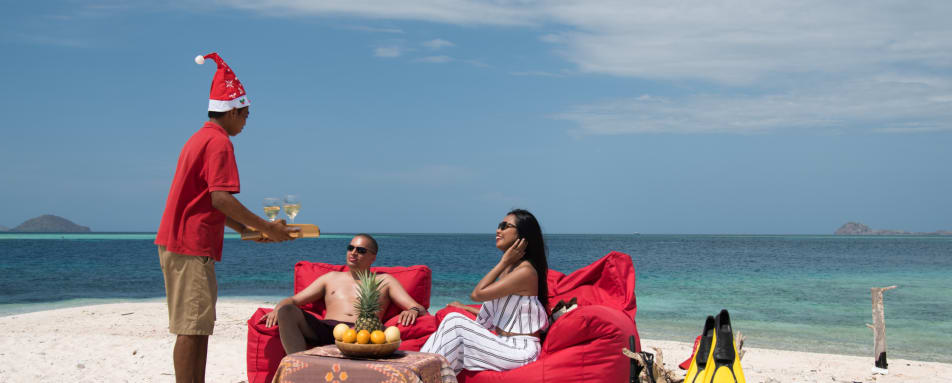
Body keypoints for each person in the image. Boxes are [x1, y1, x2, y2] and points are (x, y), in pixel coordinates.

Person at [155, 52, 297, 383]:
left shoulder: (200, 137)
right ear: (232, 111)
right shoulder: (219, 143)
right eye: (246, 116)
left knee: (198, 327)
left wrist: (247, 230)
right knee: (191, 329)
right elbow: (221, 197)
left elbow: (209, 201)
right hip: (189, 244)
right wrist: (266, 227)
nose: (246, 123)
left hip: (183, 242)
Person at [421, 208, 550, 374]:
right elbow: (492, 315)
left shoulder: (525, 272)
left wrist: (503, 262)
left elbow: (477, 294)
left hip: (520, 350)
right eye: (499, 225)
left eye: (505, 226)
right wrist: (464, 307)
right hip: (503, 342)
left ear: (521, 236)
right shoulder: (511, 270)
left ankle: (413, 372)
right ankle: (418, 371)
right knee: (453, 324)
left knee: (455, 323)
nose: (498, 230)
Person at [260, 233, 429, 354]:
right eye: (351, 248)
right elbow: (293, 301)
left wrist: (412, 310)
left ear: (373, 257)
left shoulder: (384, 281)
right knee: (286, 311)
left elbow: (417, 307)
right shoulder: (330, 278)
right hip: (328, 329)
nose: (354, 253)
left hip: (364, 333)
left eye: (361, 250)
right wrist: (278, 310)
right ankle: (297, 365)